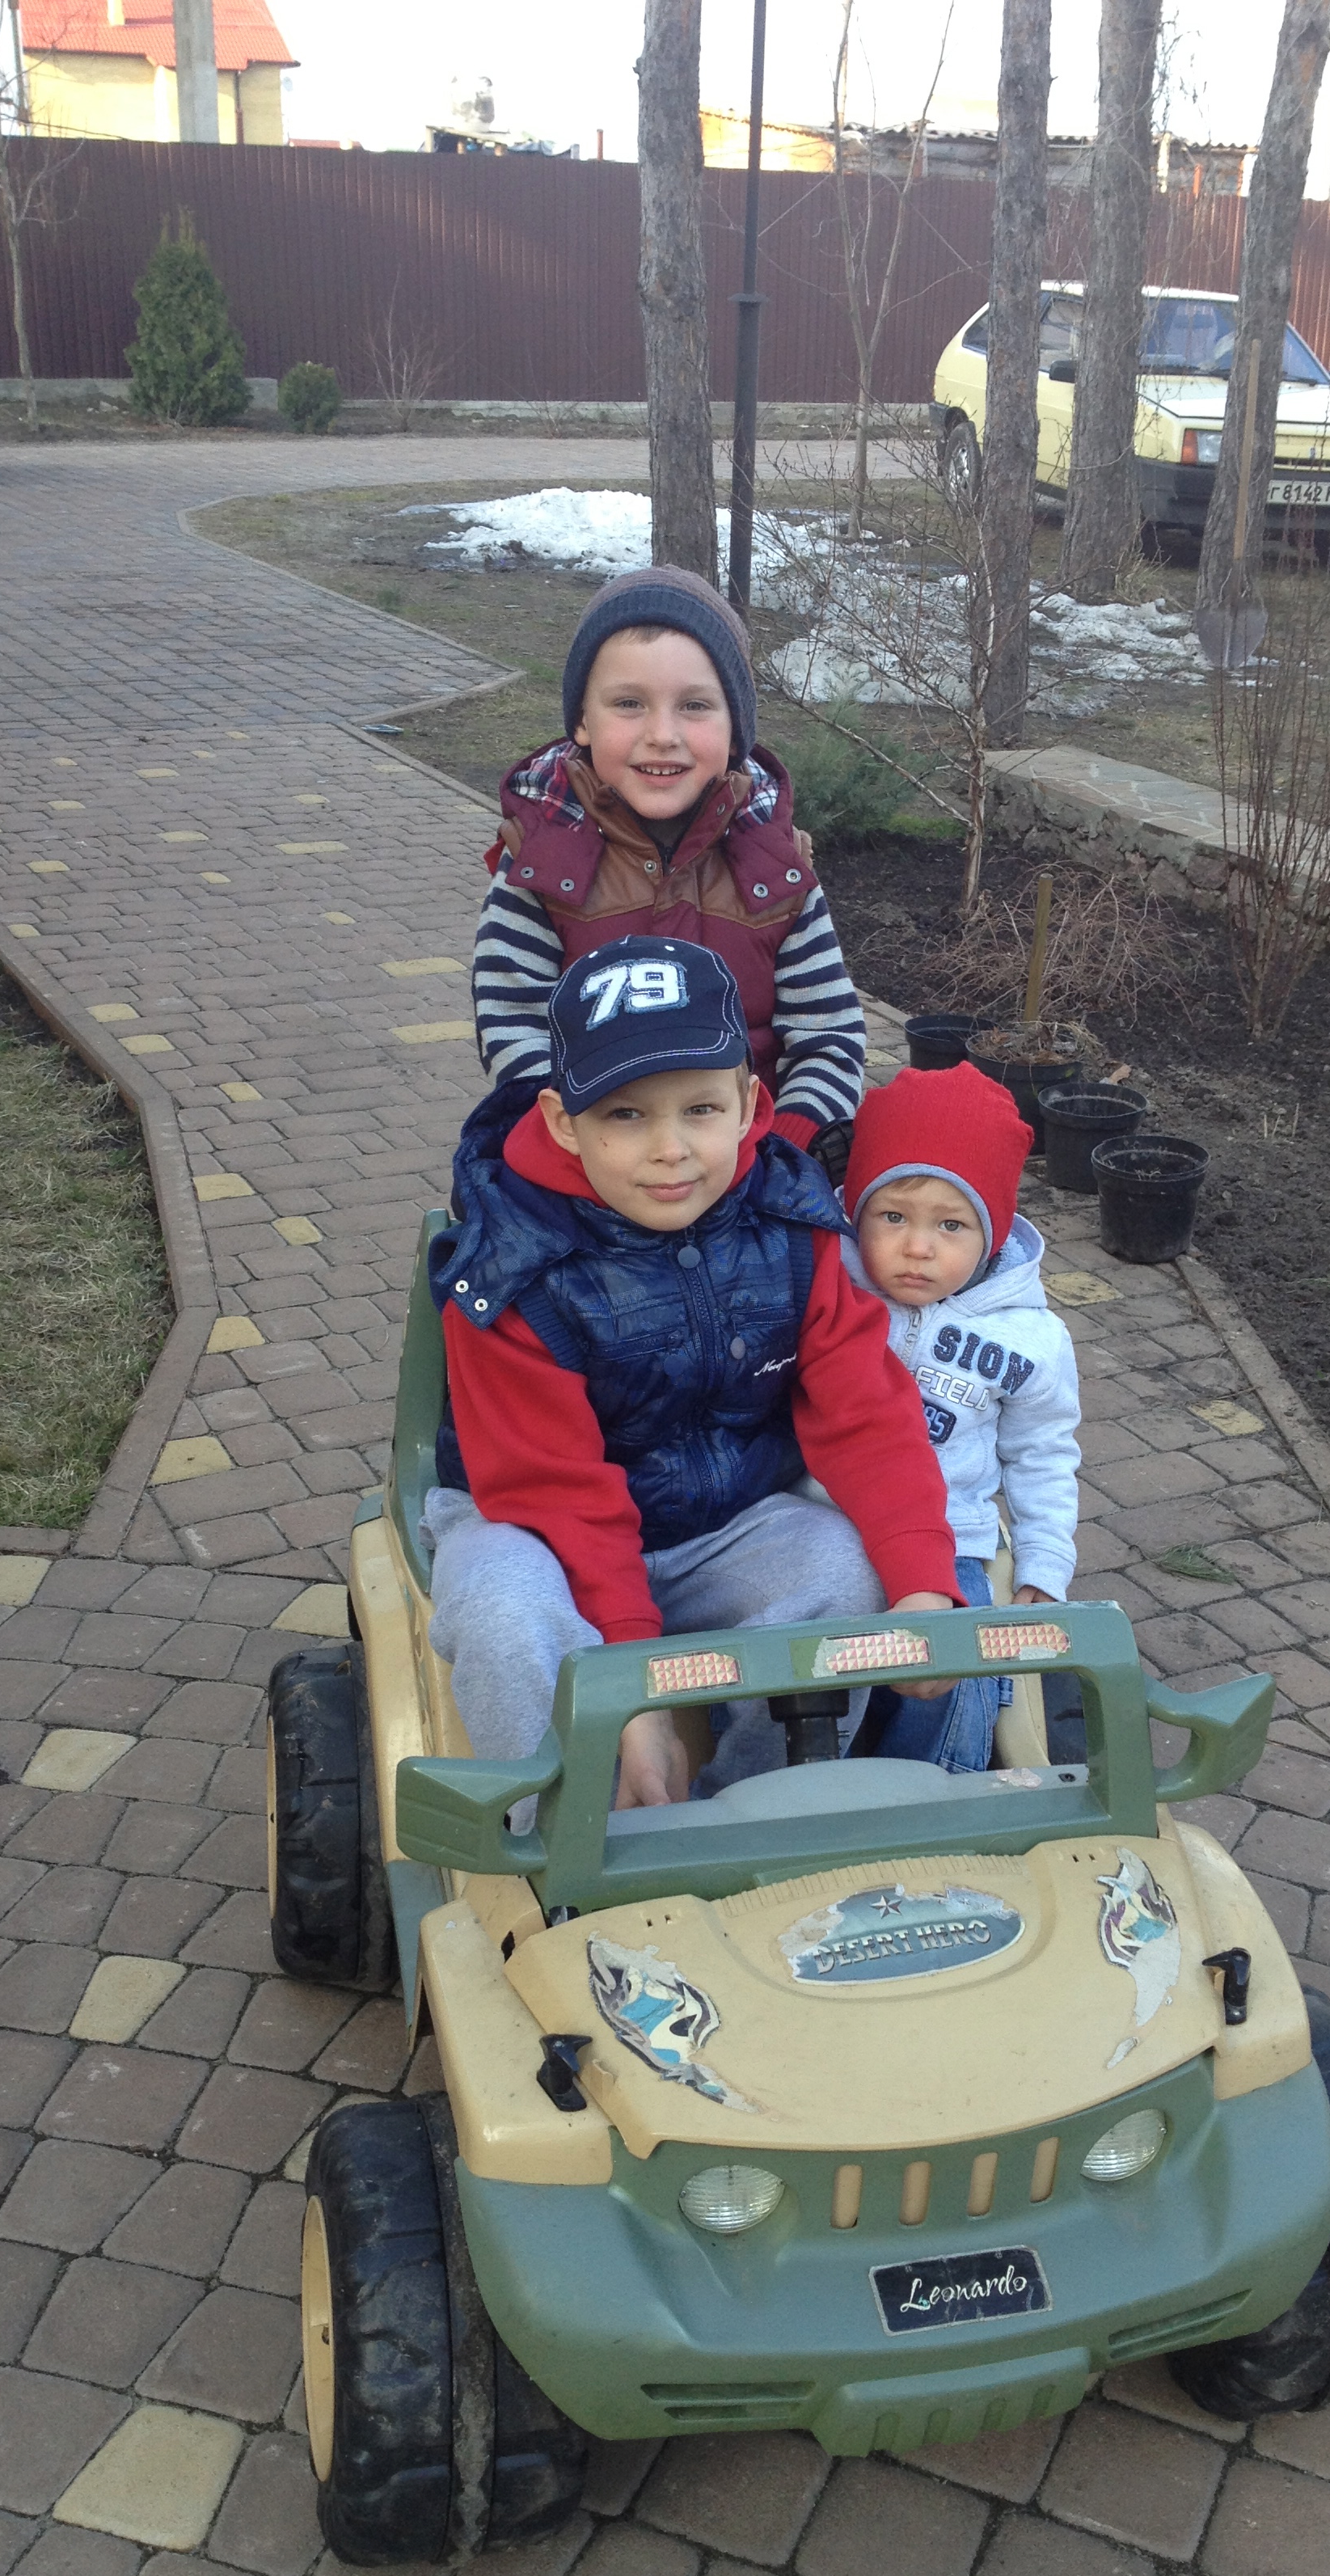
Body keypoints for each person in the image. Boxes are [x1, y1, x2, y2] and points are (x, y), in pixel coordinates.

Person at [424, 935, 960, 1807]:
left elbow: (865, 1411)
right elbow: (554, 1488)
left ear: (749, 1104)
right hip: (538, 1527)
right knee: (503, 1612)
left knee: (844, 1570)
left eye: (700, 1109)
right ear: (563, 1121)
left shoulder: (794, 1229)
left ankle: (756, 1815)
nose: (670, 1149)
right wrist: (629, 1690)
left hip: (721, 1520)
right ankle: (563, 1836)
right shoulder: (511, 1268)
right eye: (626, 1115)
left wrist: (923, 1581)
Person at [470, 564, 868, 1168]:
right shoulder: (540, 866)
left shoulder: (778, 868)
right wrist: (591, 1154)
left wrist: (781, 1152)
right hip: (588, 1173)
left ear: (735, 728)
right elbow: (514, 1030)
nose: (662, 734)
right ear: (582, 721)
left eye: (695, 706)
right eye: (629, 703)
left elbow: (827, 1036)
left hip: (754, 1166)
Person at [840, 1063, 1083, 1774]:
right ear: (855, 1212)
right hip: (826, 1522)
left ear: (993, 1232)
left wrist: (1045, 1560)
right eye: (893, 1217)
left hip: (954, 1537)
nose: (919, 1247)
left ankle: (937, 1793)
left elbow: (1042, 1451)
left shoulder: (1030, 1339)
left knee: (955, 1670)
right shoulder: (828, 1294)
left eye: (951, 1224)